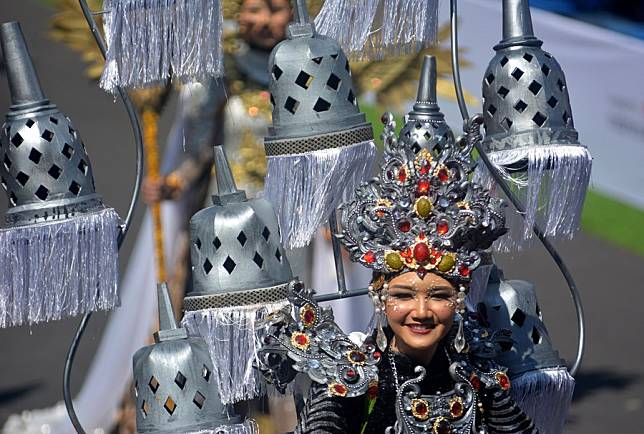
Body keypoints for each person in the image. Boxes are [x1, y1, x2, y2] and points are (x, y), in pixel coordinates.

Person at [289, 113, 539, 433]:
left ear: (460, 299)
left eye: (438, 295)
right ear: (380, 297)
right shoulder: (349, 384)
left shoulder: (483, 378)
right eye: (403, 295)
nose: (420, 312)